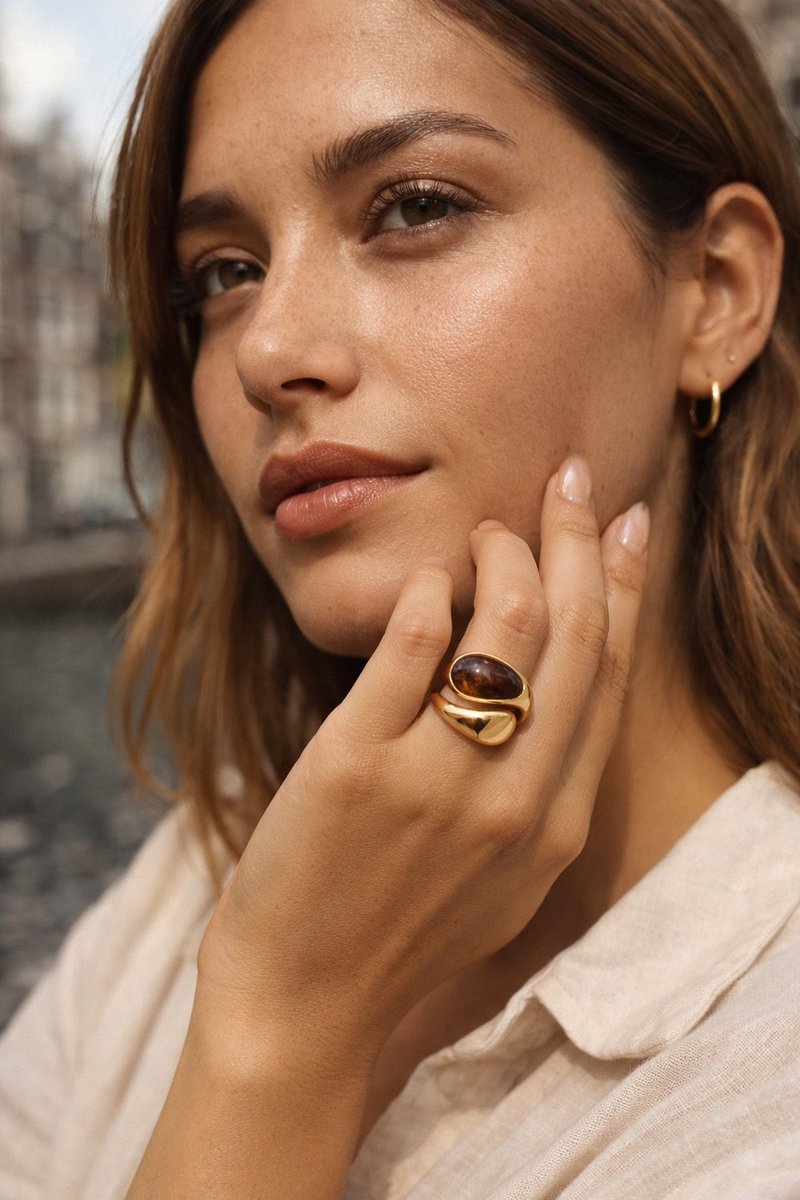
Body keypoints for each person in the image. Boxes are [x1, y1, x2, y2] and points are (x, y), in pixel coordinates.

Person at [1, 0, 799, 1195]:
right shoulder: (203, 876)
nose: (267, 348)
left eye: (415, 207)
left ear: (714, 291)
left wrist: (279, 1036)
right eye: (223, 273)